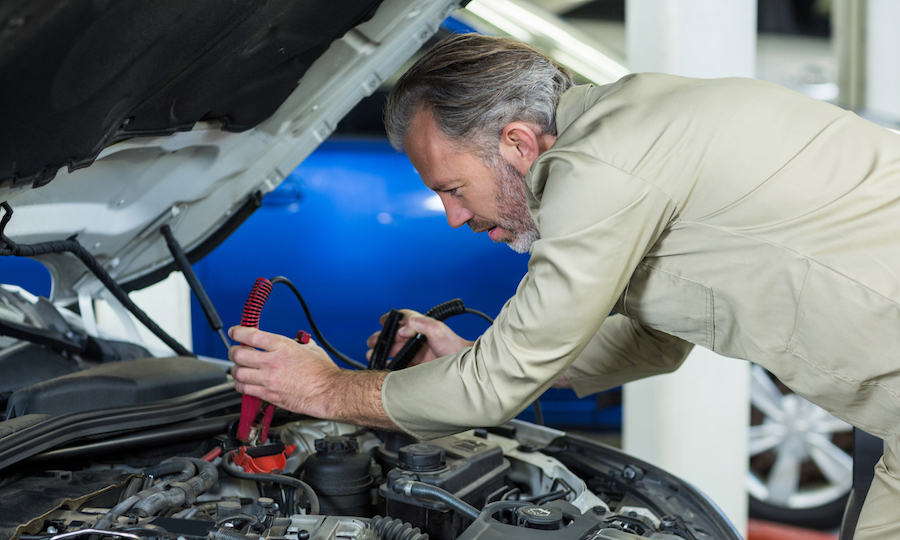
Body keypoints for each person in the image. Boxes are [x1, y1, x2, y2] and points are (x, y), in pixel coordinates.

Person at [229, 34, 900, 536]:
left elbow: (501, 385)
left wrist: (323, 390)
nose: (457, 219)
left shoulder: (602, 165)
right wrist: (469, 355)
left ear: (518, 143)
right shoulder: (631, 128)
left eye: (453, 189)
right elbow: (653, 341)